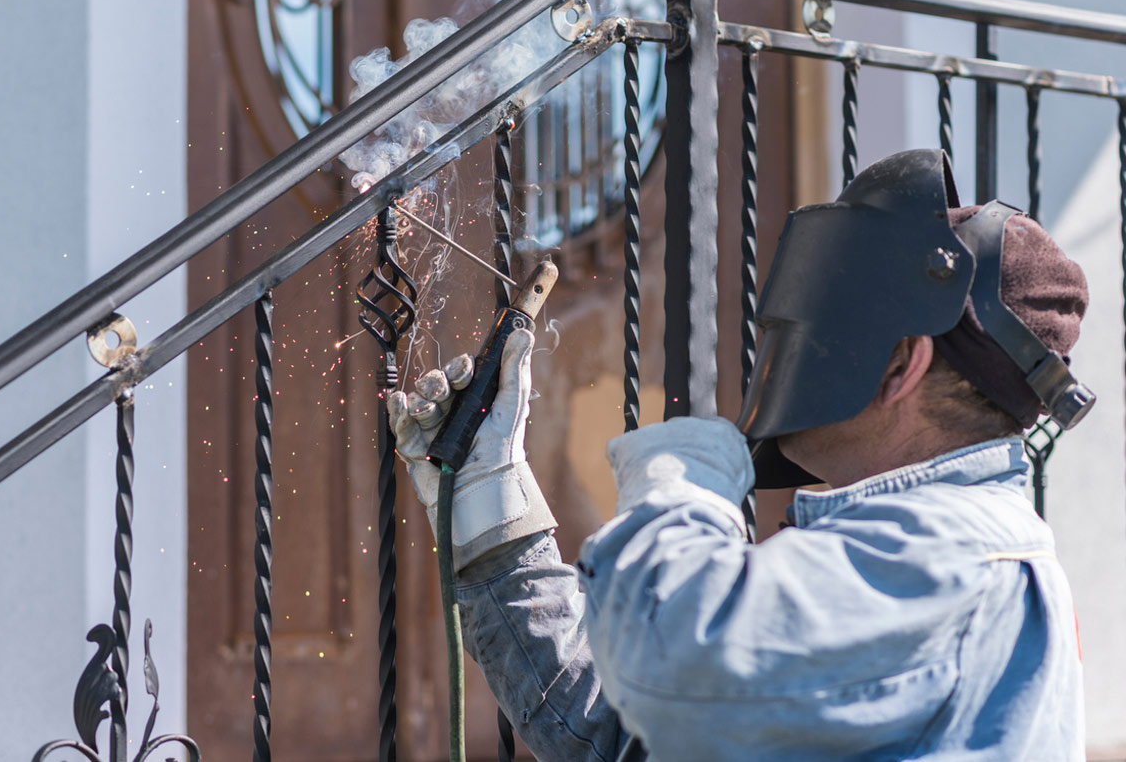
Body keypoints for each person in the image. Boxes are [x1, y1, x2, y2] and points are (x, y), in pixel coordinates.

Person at [387, 150, 1093, 761]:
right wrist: (488, 495)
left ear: (902, 362)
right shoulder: (920, 552)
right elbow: (621, 737)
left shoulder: (948, 558)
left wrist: (685, 488)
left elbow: (673, 663)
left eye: (835, 316)